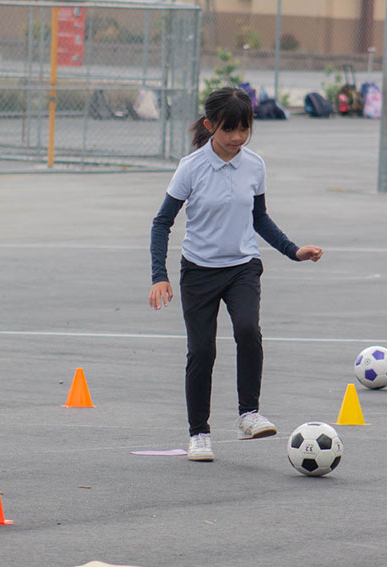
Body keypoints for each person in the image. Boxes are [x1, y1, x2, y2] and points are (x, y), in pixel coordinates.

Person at [149, 87, 323, 461]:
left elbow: (258, 217)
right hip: (198, 271)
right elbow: (162, 222)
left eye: (244, 129)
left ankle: (249, 414)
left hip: (243, 265)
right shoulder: (191, 167)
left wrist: (293, 251)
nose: (237, 138)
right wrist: (158, 275)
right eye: (229, 130)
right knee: (202, 351)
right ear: (211, 126)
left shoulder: (254, 165)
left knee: (247, 329)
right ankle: (199, 433)